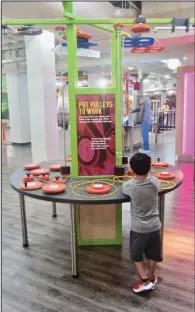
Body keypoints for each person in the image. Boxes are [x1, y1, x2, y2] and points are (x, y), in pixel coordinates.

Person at [122, 152, 161, 293]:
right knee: (152, 254)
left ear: (131, 170)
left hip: (139, 229)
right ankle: (151, 277)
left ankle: (144, 281)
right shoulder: (156, 182)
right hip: (155, 226)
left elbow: (123, 188)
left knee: (136, 255)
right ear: (150, 167)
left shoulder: (130, 186)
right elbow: (153, 180)